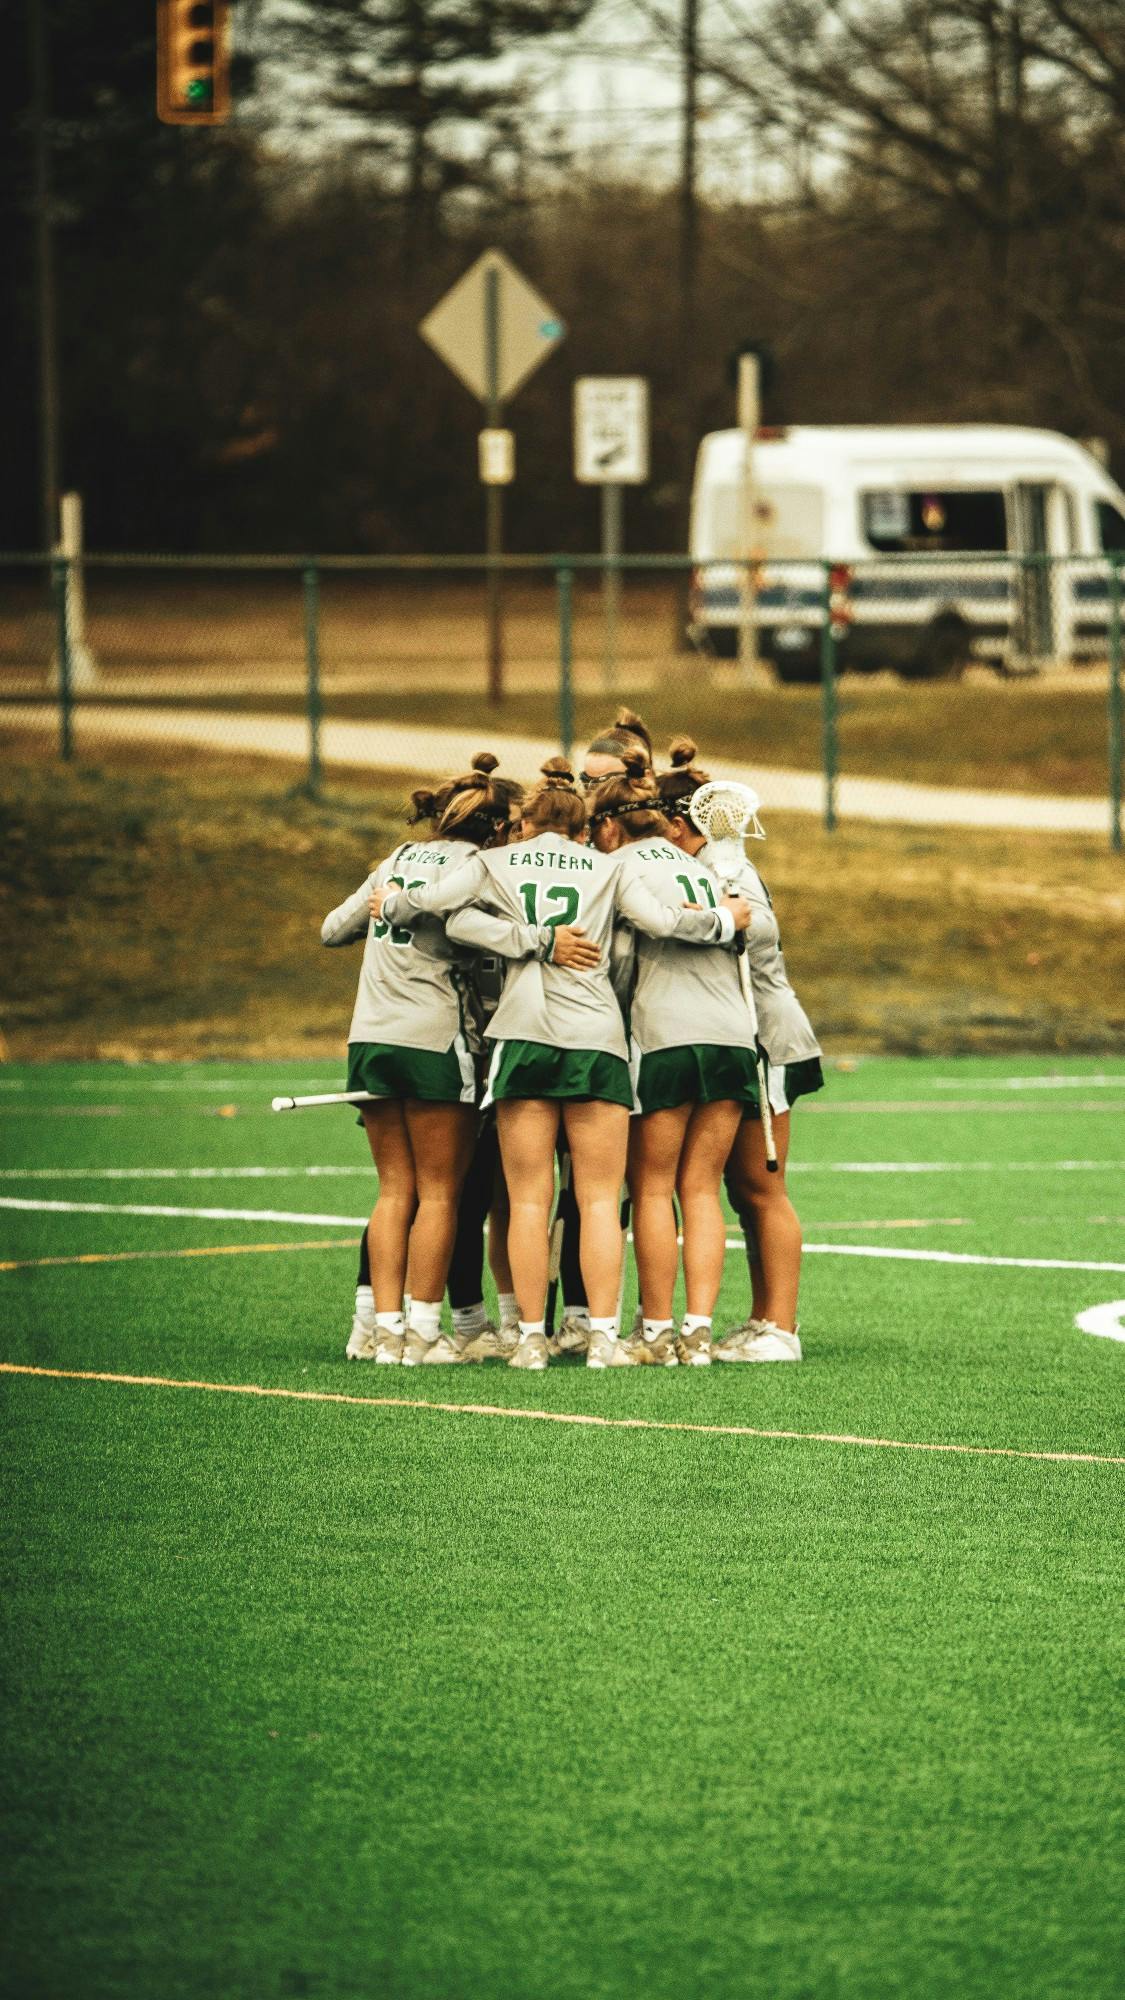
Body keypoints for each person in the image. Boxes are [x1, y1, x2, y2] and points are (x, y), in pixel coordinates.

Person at [373, 757, 750, 1372]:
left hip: (522, 1036)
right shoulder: (608, 866)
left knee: (527, 1201)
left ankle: (529, 1339)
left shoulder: (496, 862)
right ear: (582, 830)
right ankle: (601, 1338)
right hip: (595, 1037)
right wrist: (723, 919)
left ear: (525, 824)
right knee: (598, 1201)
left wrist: (395, 904)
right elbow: (662, 923)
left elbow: (442, 911)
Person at [322, 754, 555, 1368]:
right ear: (496, 828)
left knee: (393, 1190)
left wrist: (391, 912)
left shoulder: (396, 859)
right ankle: (424, 1332)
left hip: (370, 1038)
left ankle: (382, 1331)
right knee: (440, 1194)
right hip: (434, 1041)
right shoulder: (478, 867)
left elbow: (333, 929)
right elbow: (483, 934)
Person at [588, 752, 760, 1365]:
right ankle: (699, 1332)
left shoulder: (617, 868)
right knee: (702, 1189)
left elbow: (618, 961)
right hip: (732, 1038)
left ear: (611, 824)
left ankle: (657, 1332)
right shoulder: (701, 866)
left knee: (654, 1188)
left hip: (665, 1034)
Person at [655, 740, 824, 1362]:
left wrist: (712, 911)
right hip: (744, 1033)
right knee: (739, 1186)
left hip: (766, 1037)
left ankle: (781, 1327)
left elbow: (757, 930)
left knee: (760, 1185)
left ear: (680, 825)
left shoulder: (726, 868)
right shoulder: (706, 864)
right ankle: (762, 1317)